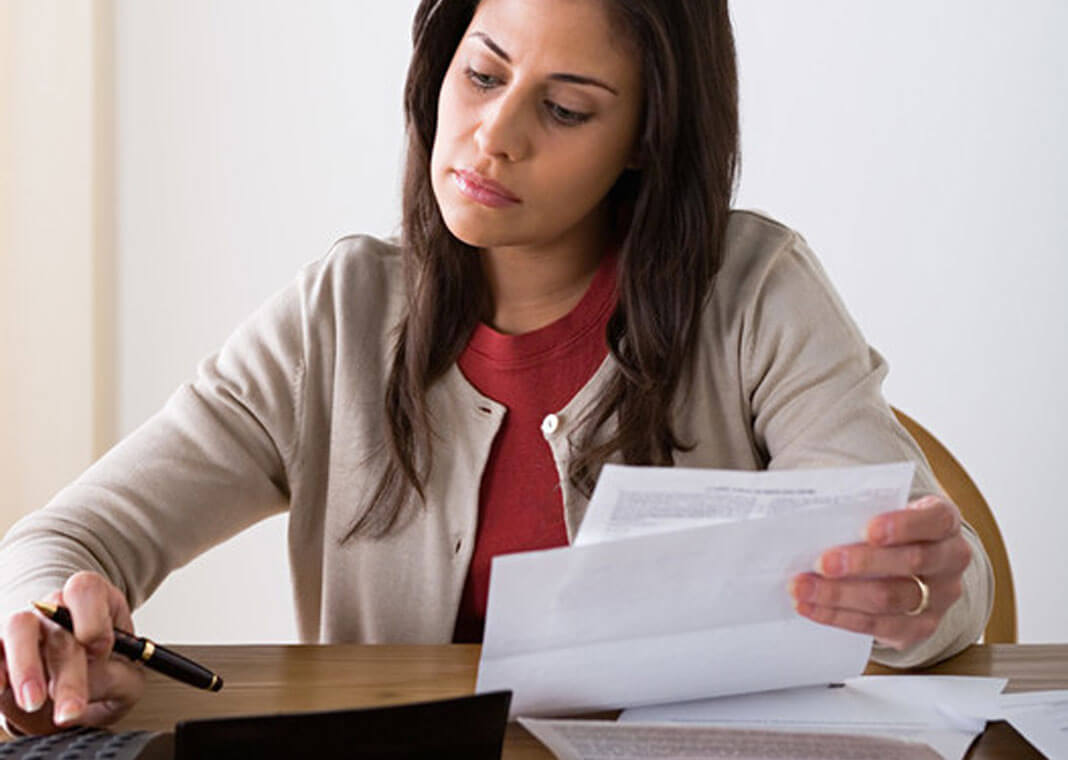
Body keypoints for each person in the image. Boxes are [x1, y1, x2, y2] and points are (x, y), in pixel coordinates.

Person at [0, 0, 991, 737]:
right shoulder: (338, 316)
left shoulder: (758, 290)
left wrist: (915, 594)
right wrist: (45, 616)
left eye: (564, 110)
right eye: (483, 74)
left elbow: (924, 578)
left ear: (645, 138)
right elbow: (68, 535)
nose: (494, 135)